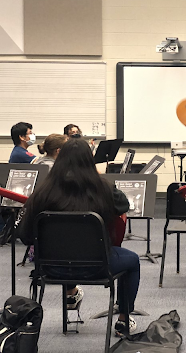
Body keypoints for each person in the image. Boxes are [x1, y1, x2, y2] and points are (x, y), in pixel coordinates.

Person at [18, 138, 140, 336]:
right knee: (132, 260)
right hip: (97, 267)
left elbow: (24, 236)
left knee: (66, 245)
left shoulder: (42, 193)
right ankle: (123, 320)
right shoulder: (104, 189)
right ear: (90, 161)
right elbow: (124, 205)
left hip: (51, 268)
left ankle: (71, 293)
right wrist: (99, 177)